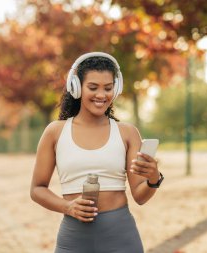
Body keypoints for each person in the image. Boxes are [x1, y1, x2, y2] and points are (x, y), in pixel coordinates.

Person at [30, 52, 164, 253]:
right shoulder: (55, 132)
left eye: (108, 88)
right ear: (77, 88)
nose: (101, 95)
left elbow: (140, 196)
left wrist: (154, 177)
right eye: (93, 87)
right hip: (73, 238)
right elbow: (37, 189)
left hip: (121, 237)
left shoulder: (127, 133)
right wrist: (67, 207)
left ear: (116, 89)